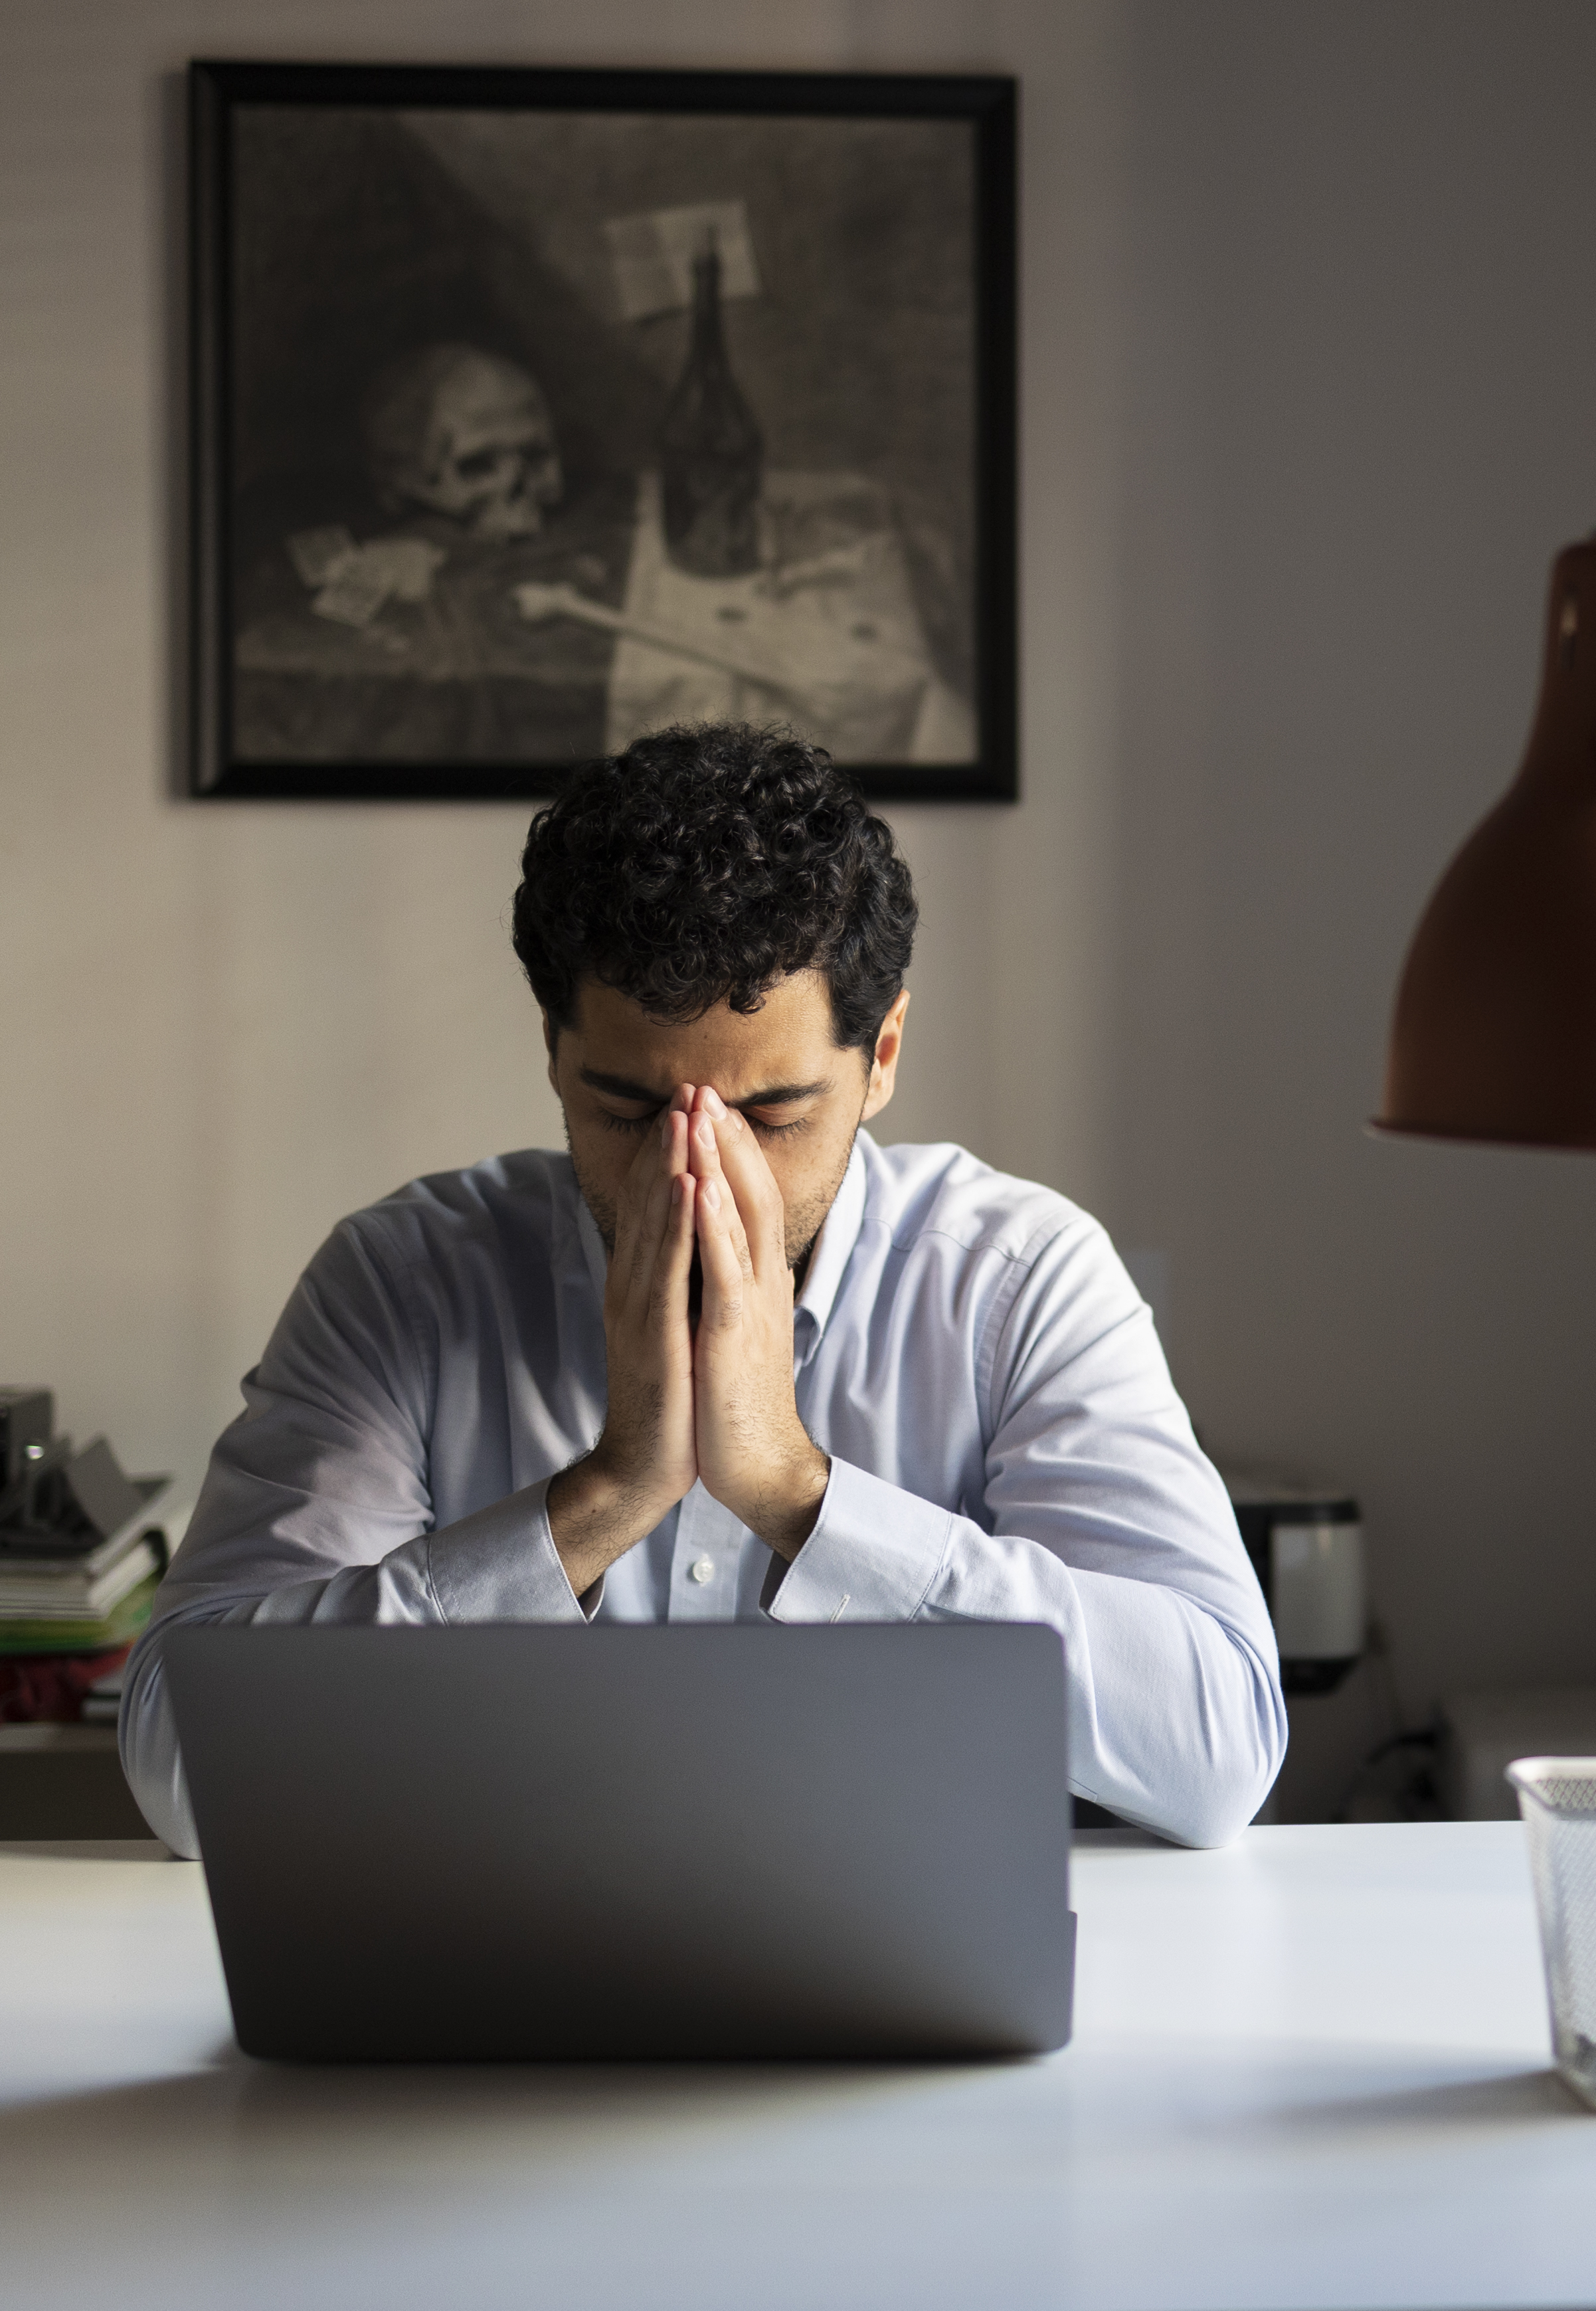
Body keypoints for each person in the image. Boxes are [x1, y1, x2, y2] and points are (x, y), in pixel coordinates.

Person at [117, 725, 1284, 1852]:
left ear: (879, 1060)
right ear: (554, 1053)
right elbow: (180, 1765)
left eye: (773, 1115)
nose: (695, 1172)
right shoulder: (405, 1283)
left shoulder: (1015, 1282)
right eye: (626, 1109)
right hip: (498, 1980)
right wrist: (611, 1492)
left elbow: (1218, 1746)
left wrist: (793, 1489)